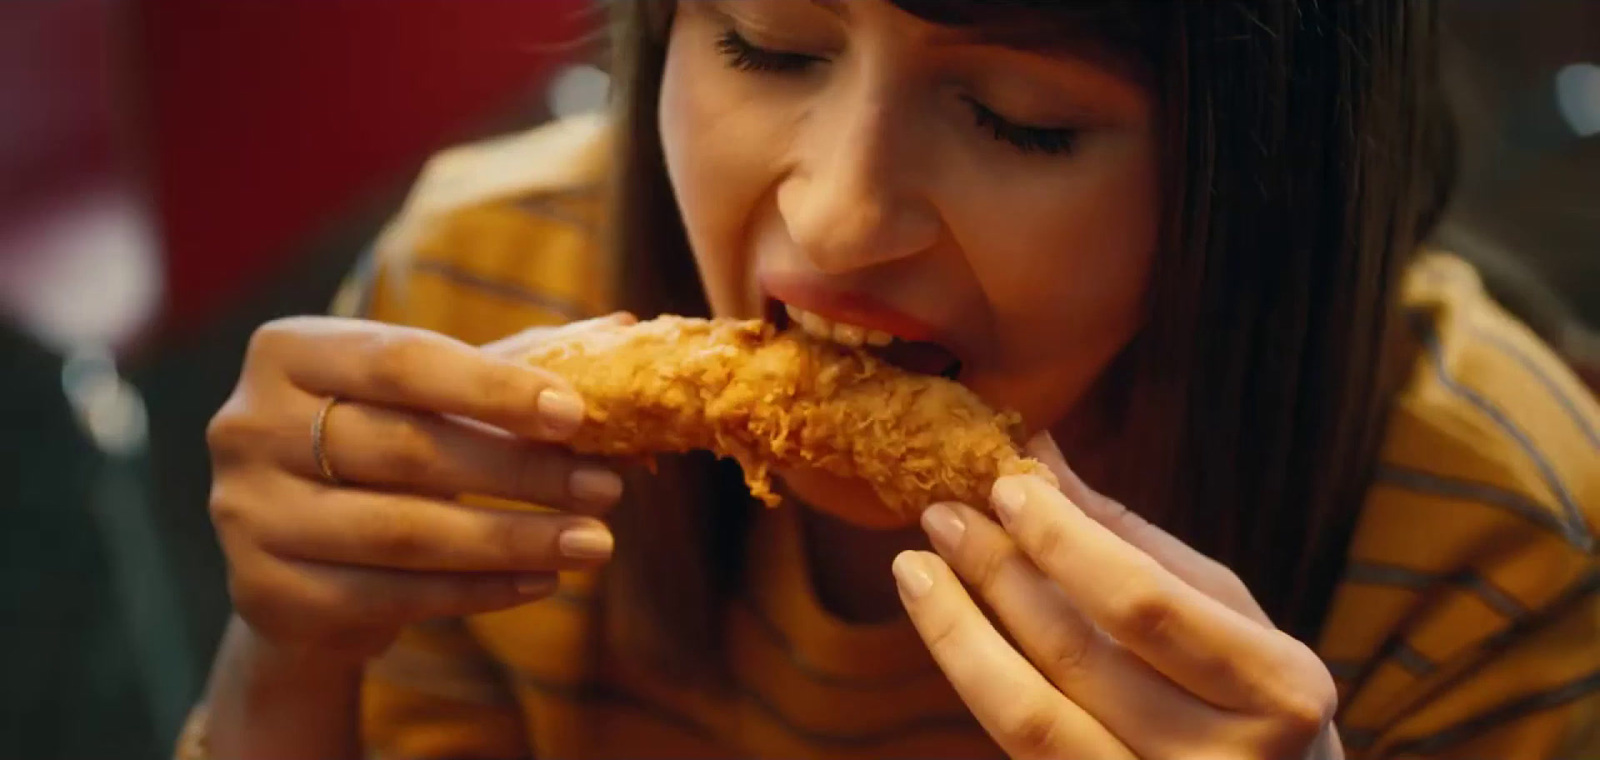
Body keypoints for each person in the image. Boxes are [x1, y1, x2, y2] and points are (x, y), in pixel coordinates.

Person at [181, 1, 1600, 758]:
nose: (843, 214)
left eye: (1019, 120)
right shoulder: (473, 301)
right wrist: (284, 664)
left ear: (1270, 168)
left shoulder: (1497, 541)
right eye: (768, 43)